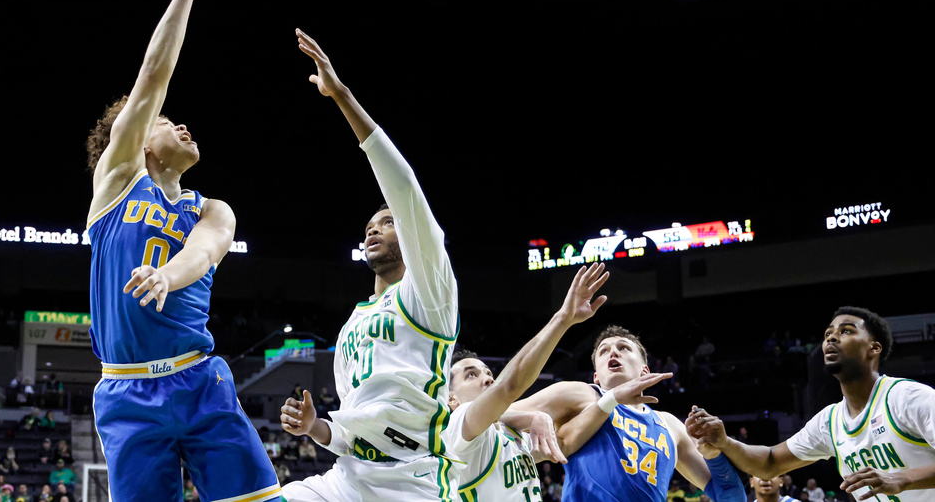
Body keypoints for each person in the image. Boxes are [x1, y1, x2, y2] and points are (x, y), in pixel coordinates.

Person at [84, 0, 278, 502]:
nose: (183, 124)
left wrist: (166, 275)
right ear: (141, 138)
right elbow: (153, 77)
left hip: (200, 380)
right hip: (126, 392)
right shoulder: (118, 181)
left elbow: (204, 251)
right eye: (169, 122)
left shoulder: (212, 209)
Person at [279, 29, 460, 501]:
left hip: (412, 479)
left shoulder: (429, 296)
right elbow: (349, 426)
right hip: (349, 476)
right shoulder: (352, 325)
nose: (373, 230)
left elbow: (405, 188)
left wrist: (341, 96)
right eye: (369, 226)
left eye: (388, 222)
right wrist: (316, 426)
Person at [686, 306, 935, 502]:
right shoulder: (830, 421)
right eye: (828, 334)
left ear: (874, 348)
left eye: (846, 331)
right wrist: (725, 442)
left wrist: (902, 478)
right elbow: (770, 462)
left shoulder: (907, 397)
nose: (832, 337)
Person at [509, 325, 746, 502]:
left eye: (623, 348)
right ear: (596, 376)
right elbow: (496, 417)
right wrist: (534, 419)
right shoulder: (580, 394)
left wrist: (713, 454)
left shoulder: (669, 425)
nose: (613, 353)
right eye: (604, 351)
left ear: (645, 371)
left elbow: (731, 496)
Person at [445, 264, 610, 502]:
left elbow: (564, 442)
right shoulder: (459, 430)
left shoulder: (512, 433)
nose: (487, 378)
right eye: (471, 375)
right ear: (452, 398)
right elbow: (509, 386)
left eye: (487, 372)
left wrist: (612, 399)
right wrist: (563, 319)